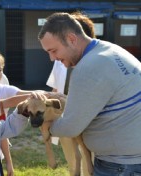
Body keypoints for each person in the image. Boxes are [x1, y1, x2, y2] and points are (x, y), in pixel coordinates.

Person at [38, 12, 141, 175]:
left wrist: (46, 125)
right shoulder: (110, 50)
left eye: (54, 50)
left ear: (72, 39)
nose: (52, 58)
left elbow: (70, 127)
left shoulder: (87, 68)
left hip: (120, 166)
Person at [46, 12, 96, 176]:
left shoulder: (96, 62)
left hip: (89, 122)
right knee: (72, 159)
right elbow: (55, 88)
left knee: (91, 160)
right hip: (65, 117)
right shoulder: (60, 60)